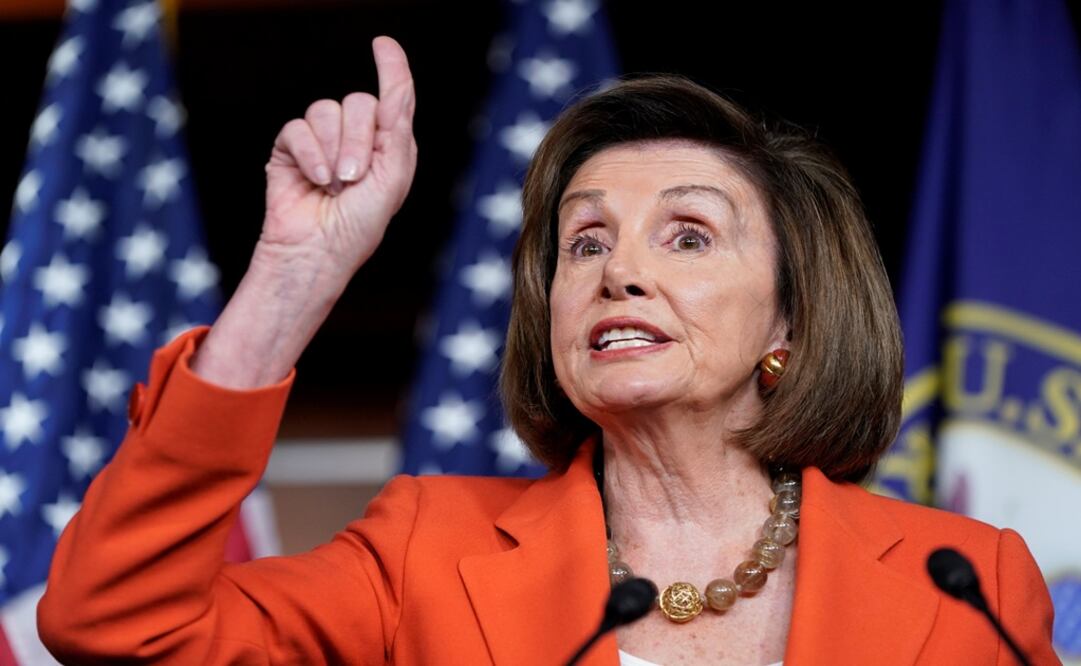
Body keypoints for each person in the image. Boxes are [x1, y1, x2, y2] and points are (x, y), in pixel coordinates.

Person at [37, 37, 1056, 665]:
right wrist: (291, 280)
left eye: (688, 236)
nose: (619, 272)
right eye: (585, 242)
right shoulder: (424, 554)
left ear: (789, 320)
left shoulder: (964, 581)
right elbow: (113, 623)